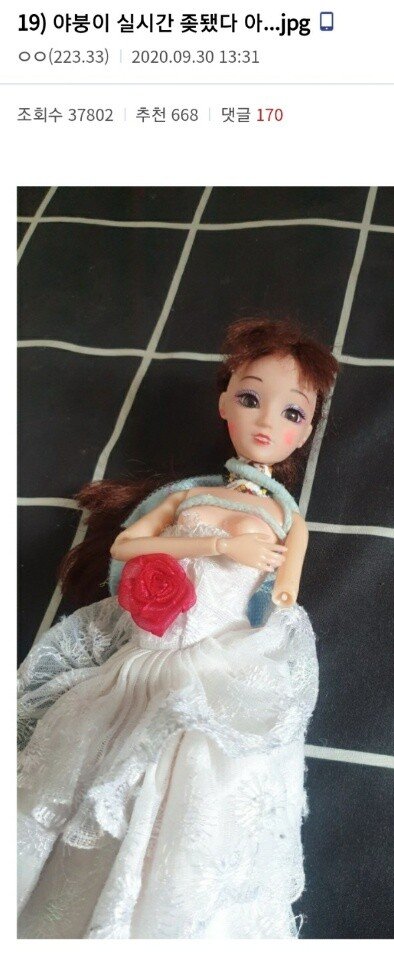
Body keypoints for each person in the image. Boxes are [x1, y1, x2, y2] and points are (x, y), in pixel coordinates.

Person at [17, 317, 339, 938]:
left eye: (292, 413)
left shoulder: (289, 521)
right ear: (225, 403)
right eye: (250, 398)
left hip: (217, 669)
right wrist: (219, 545)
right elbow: (125, 547)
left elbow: (284, 600)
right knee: (90, 788)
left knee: (192, 798)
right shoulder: (187, 497)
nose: (266, 422)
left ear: (304, 431)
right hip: (146, 659)